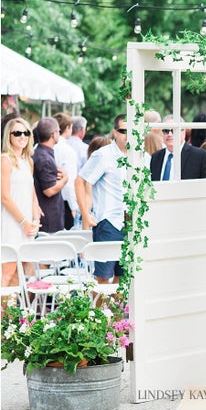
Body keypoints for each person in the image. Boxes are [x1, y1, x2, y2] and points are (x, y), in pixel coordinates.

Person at [75, 115, 128, 284]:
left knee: (123, 277)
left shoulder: (142, 156)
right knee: (102, 278)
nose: (128, 134)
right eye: (123, 131)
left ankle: (116, 312)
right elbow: (80, 181)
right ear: (115, 132)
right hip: (108, 223)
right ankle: (100, 311)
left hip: (132, 224)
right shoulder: (103, 155)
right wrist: (85, 213)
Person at [1, 117, 41, 287]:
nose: (22, 136)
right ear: (8, 136)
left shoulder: (28, 161)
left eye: (26, 132)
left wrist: (35, 218)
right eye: (17, 132)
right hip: (11, 222)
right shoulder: (4, 160)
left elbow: (32, 192)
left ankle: (12, 314)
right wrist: (24, 222)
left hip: (27, 225)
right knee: (7, 272)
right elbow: (5, 197)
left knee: (22, 272)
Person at [33, 117, 67, 234]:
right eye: (58, 131)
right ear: (53, 134)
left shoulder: (38, 153)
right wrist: (65, 180)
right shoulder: (45, 158)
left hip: (46, 215)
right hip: (49, 218)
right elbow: (49, 190)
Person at [149, 116, 206, 181]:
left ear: (183, 132)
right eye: (166, 130)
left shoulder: (200, 156)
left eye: (174, 130)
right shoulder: (156, 157)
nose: (170, 134)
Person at [54, 112, 79, 230]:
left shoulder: (40, 148)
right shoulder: (68, 151)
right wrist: (73, 206)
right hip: (65, 201)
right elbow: (69, 182)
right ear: (68, 128)